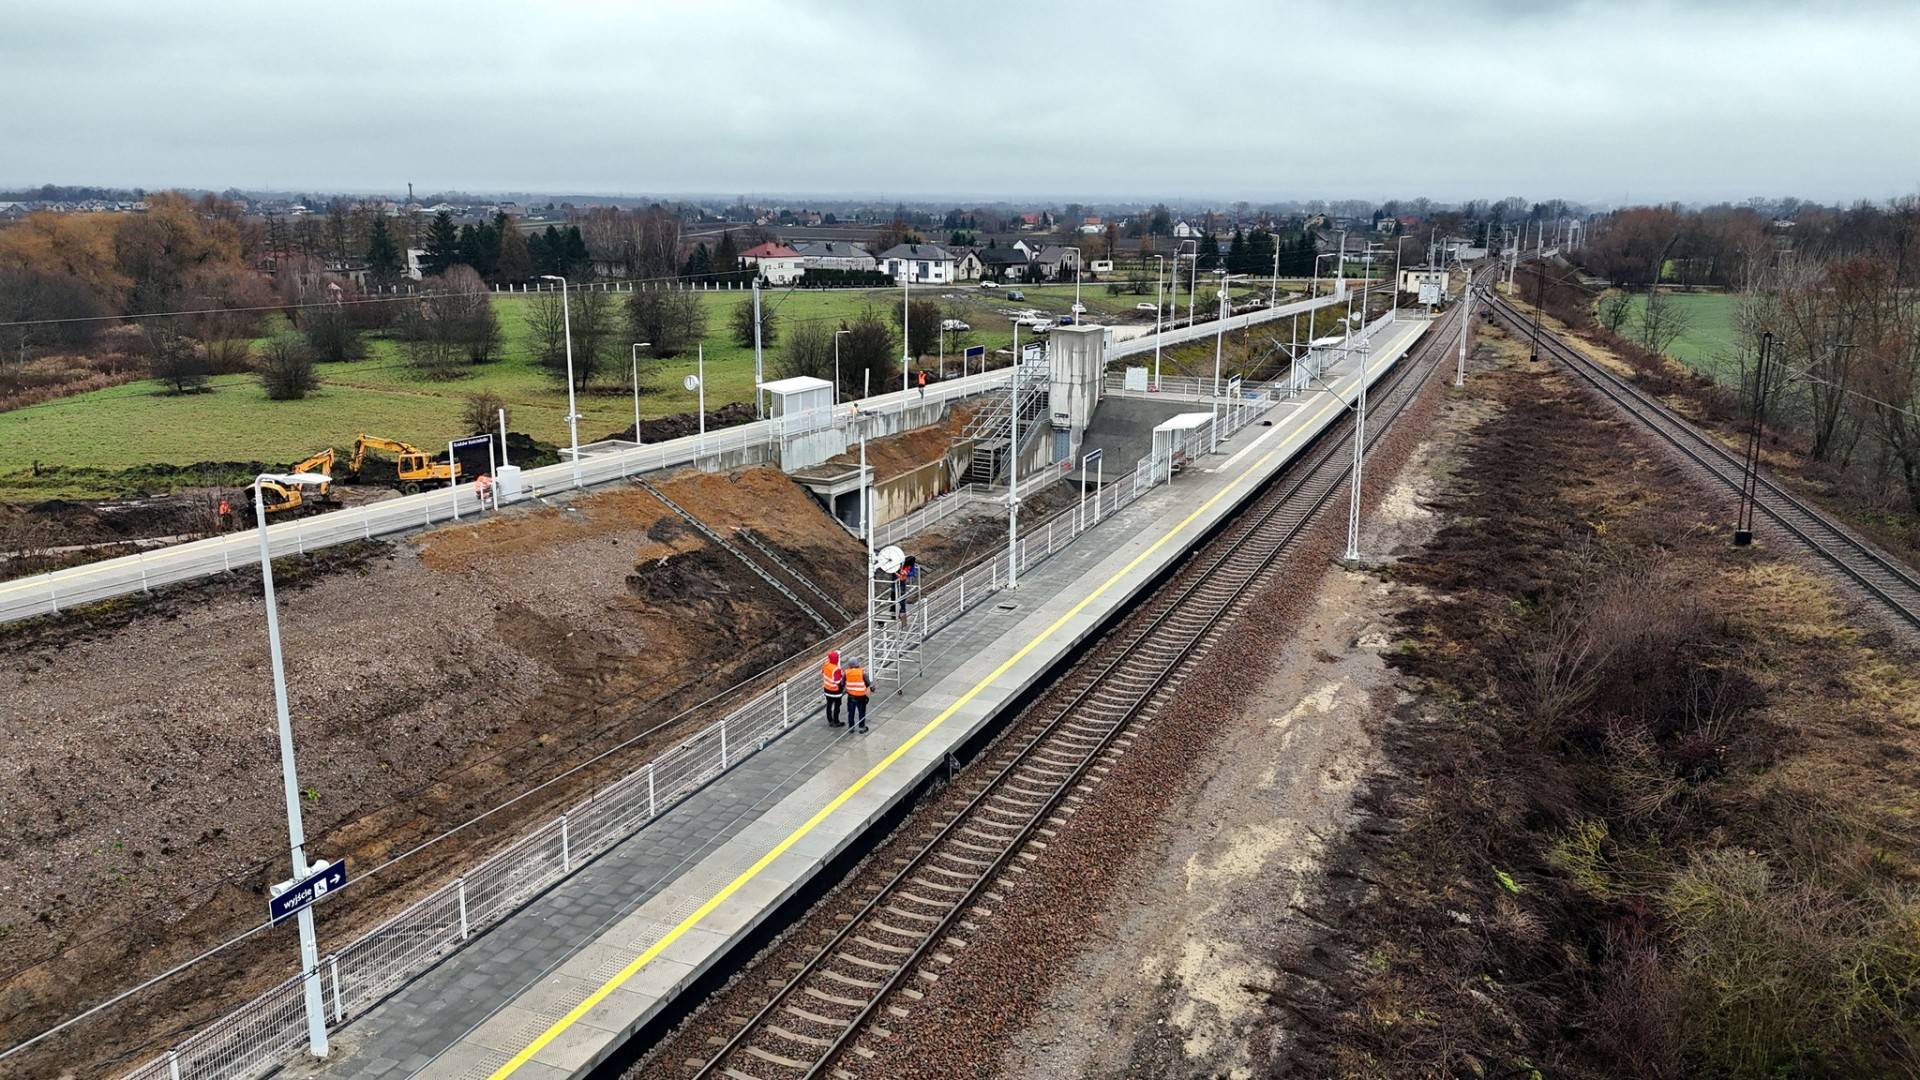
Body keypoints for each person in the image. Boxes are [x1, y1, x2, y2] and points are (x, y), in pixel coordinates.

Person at [821, 649, 845, 727]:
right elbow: (838, 681)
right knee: (837, 706)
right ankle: (836, 721)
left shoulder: (826, 664)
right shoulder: (836, 669)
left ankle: (830, 720)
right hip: (835, 691)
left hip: (827, 688)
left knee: (829, 704)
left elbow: (822, 672)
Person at [844, 658, 869, 733]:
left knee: (851, 712)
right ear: (857, 664)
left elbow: (842, 683)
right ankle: (861, 727)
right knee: (861, 712)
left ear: (849, 665)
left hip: (851, 696)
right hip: (861, 696)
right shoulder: (862, 672)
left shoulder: (846, 673)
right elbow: (867, 682)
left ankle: (851, 727)